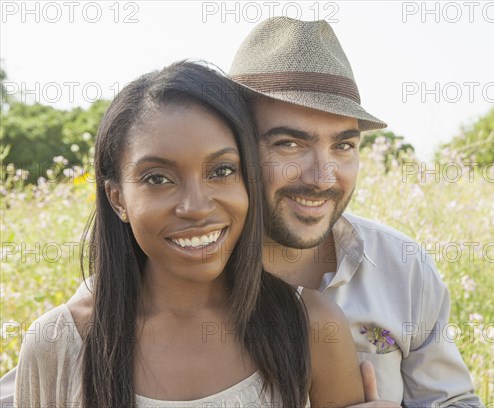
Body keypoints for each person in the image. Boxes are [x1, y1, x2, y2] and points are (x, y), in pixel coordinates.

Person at [14, 61, 364, 407]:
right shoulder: (58, 342)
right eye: (157, 179)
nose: (196, 207)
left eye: (222, 170)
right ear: (117, 198)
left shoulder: (312, 327)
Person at [228, 17, 484, 407]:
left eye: (343, 146)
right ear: (234, 144)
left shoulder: (404, 267)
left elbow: (452, 401)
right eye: (289, 144)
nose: (323, 178)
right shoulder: (186, 272)